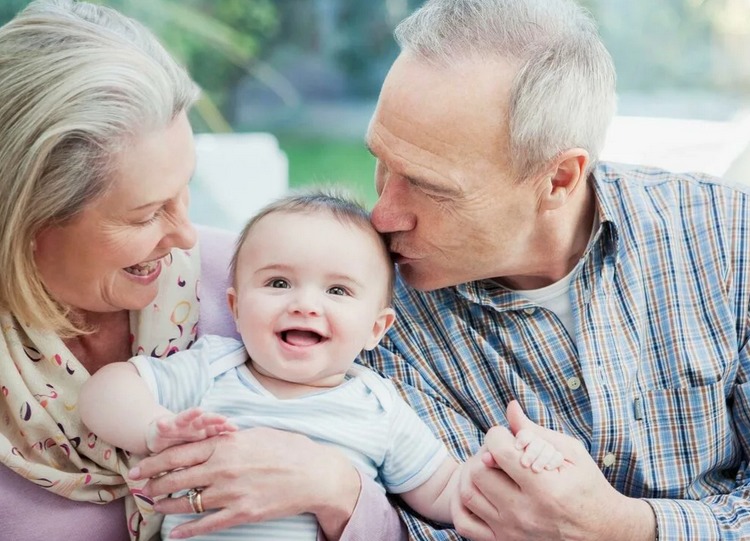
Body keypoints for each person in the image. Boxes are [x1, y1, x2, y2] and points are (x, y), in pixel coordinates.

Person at [0, 2, 406, 540]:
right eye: (146, 215)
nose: (186, 236)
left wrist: (334, 488)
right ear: (27, 221)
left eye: (184, 189)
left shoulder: (258, 284)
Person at [361, 0, 750, 539]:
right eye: (381, 162)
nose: (382, 215)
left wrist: (626, 527)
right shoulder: (362, 309)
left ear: (560, 179)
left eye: (428, 186)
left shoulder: (730, 237)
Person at [78, 190, 565, 540]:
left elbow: (445, 492)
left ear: (377, 328)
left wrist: (507, 463)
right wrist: (155, 427)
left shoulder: (379, 407)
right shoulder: (212, 370)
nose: (305, 305)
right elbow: (106, 389)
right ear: (235, 306)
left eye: (337, 291)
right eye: (278, 284)